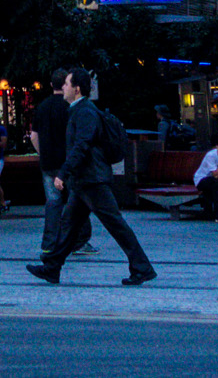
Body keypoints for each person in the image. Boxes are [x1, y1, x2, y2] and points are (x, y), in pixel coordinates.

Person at [26, 69, 155, 286]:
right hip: (83, 180)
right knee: (69, 224)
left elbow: (82, 146)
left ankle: (142, 268)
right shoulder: (78, 110)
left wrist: (63, 173)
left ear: (76, 89)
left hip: (92, 180)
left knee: (115, 223)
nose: (63, 87)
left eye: (67, 84)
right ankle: (52, 267)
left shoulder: (85, 112)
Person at [32, 72, 88, 260]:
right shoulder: (70, 107)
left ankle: (49, 243)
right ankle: (78, 241)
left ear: (50, 84)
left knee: (53, 202)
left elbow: (34, 136)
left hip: (48, 163)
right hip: (67, 163)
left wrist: (42, 154)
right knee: (75, 201)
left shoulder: (42, 107)